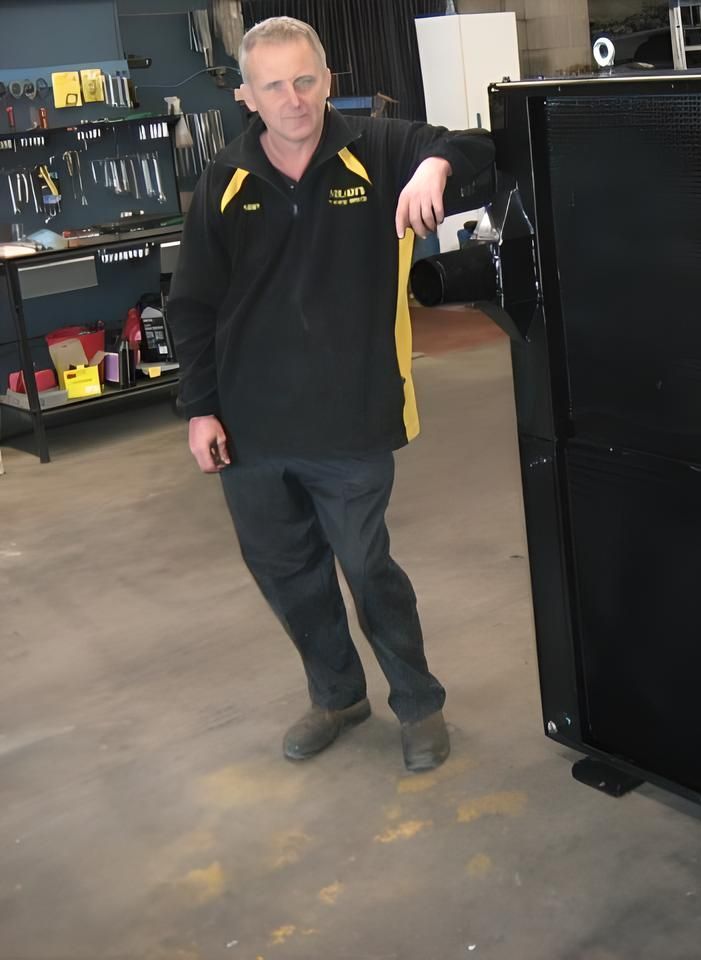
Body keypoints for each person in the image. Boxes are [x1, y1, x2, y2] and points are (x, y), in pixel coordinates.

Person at [168, 16, 494, 772]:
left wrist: (435, 167)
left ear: (327, 81)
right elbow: (193, 304)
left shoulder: (375, 149)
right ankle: (338, 696)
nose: (293, 99)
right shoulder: (225, 178)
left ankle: (418, 704)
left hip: (352, 416)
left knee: (367, 566)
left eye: (305, 80)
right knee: (287, 574)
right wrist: (200, 408)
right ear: (247, 97)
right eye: (273, 85)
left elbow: (481, 144)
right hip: (251, 426)